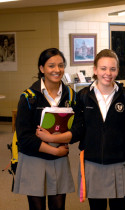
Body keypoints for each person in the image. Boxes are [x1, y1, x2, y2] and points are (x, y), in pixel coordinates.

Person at [69, 49, 125, 210]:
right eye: (103, 68)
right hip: (92, 161)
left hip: (120, 162)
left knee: (118, 206)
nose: (108, 73)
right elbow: (77, 127)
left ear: (118, 70)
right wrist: (63, 138)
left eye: (112, 69)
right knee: (96, 207)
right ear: (95, 70)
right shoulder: (83, 96)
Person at [13, 48, 75, 210]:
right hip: (34, 158)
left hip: (59, 161)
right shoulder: (28, 97)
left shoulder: (70, 95)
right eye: (51, 66)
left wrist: (54, 140)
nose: (57, 70)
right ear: (42, 69)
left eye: (61, 65)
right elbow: (24, 137)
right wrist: (54, 150)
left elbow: (78, 128)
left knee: (58, 206)